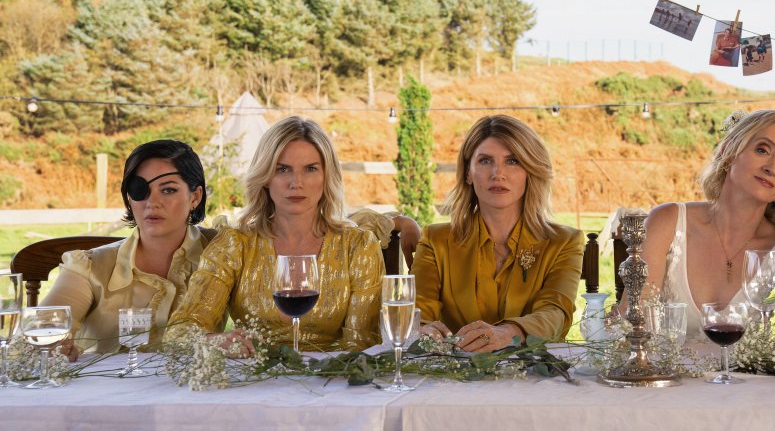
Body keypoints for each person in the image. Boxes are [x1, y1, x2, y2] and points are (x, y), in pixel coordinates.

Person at [167, 116, 383, 352]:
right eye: (282, 169)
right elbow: (181, 330)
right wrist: (214, 341)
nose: (296, 182)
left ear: (326, 176)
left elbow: (362, 343)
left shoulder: (358, 247)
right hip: (254, 381)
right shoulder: (235, 244)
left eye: (310, 169)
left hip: (329, 380)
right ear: (265, 177)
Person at [641, 110, 775, 339]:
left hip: (744, 376)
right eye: (762, 150)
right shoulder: (668, 221)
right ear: (730, 150)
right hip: (668, 375)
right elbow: (632, 321)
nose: (772, 168)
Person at [412, 115, 584, 352]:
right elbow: (418, 313)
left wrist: (509, 333)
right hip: (454, 377)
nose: (498, 173)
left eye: (512, 161)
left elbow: (556, 313)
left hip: (533, 378)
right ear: (468, 173)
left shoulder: (564, 242)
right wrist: (422, 330)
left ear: (530, 171)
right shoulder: (435, 240)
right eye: (485, 160)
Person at [41, 140, 216, 357]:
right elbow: (41, 332)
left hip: (196, 389)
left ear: (195, 197)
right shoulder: (89, 268)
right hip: (105, 388)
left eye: (168, 190)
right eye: (140, 189)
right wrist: (52, 346)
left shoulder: (224, 253)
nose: (153, 202)